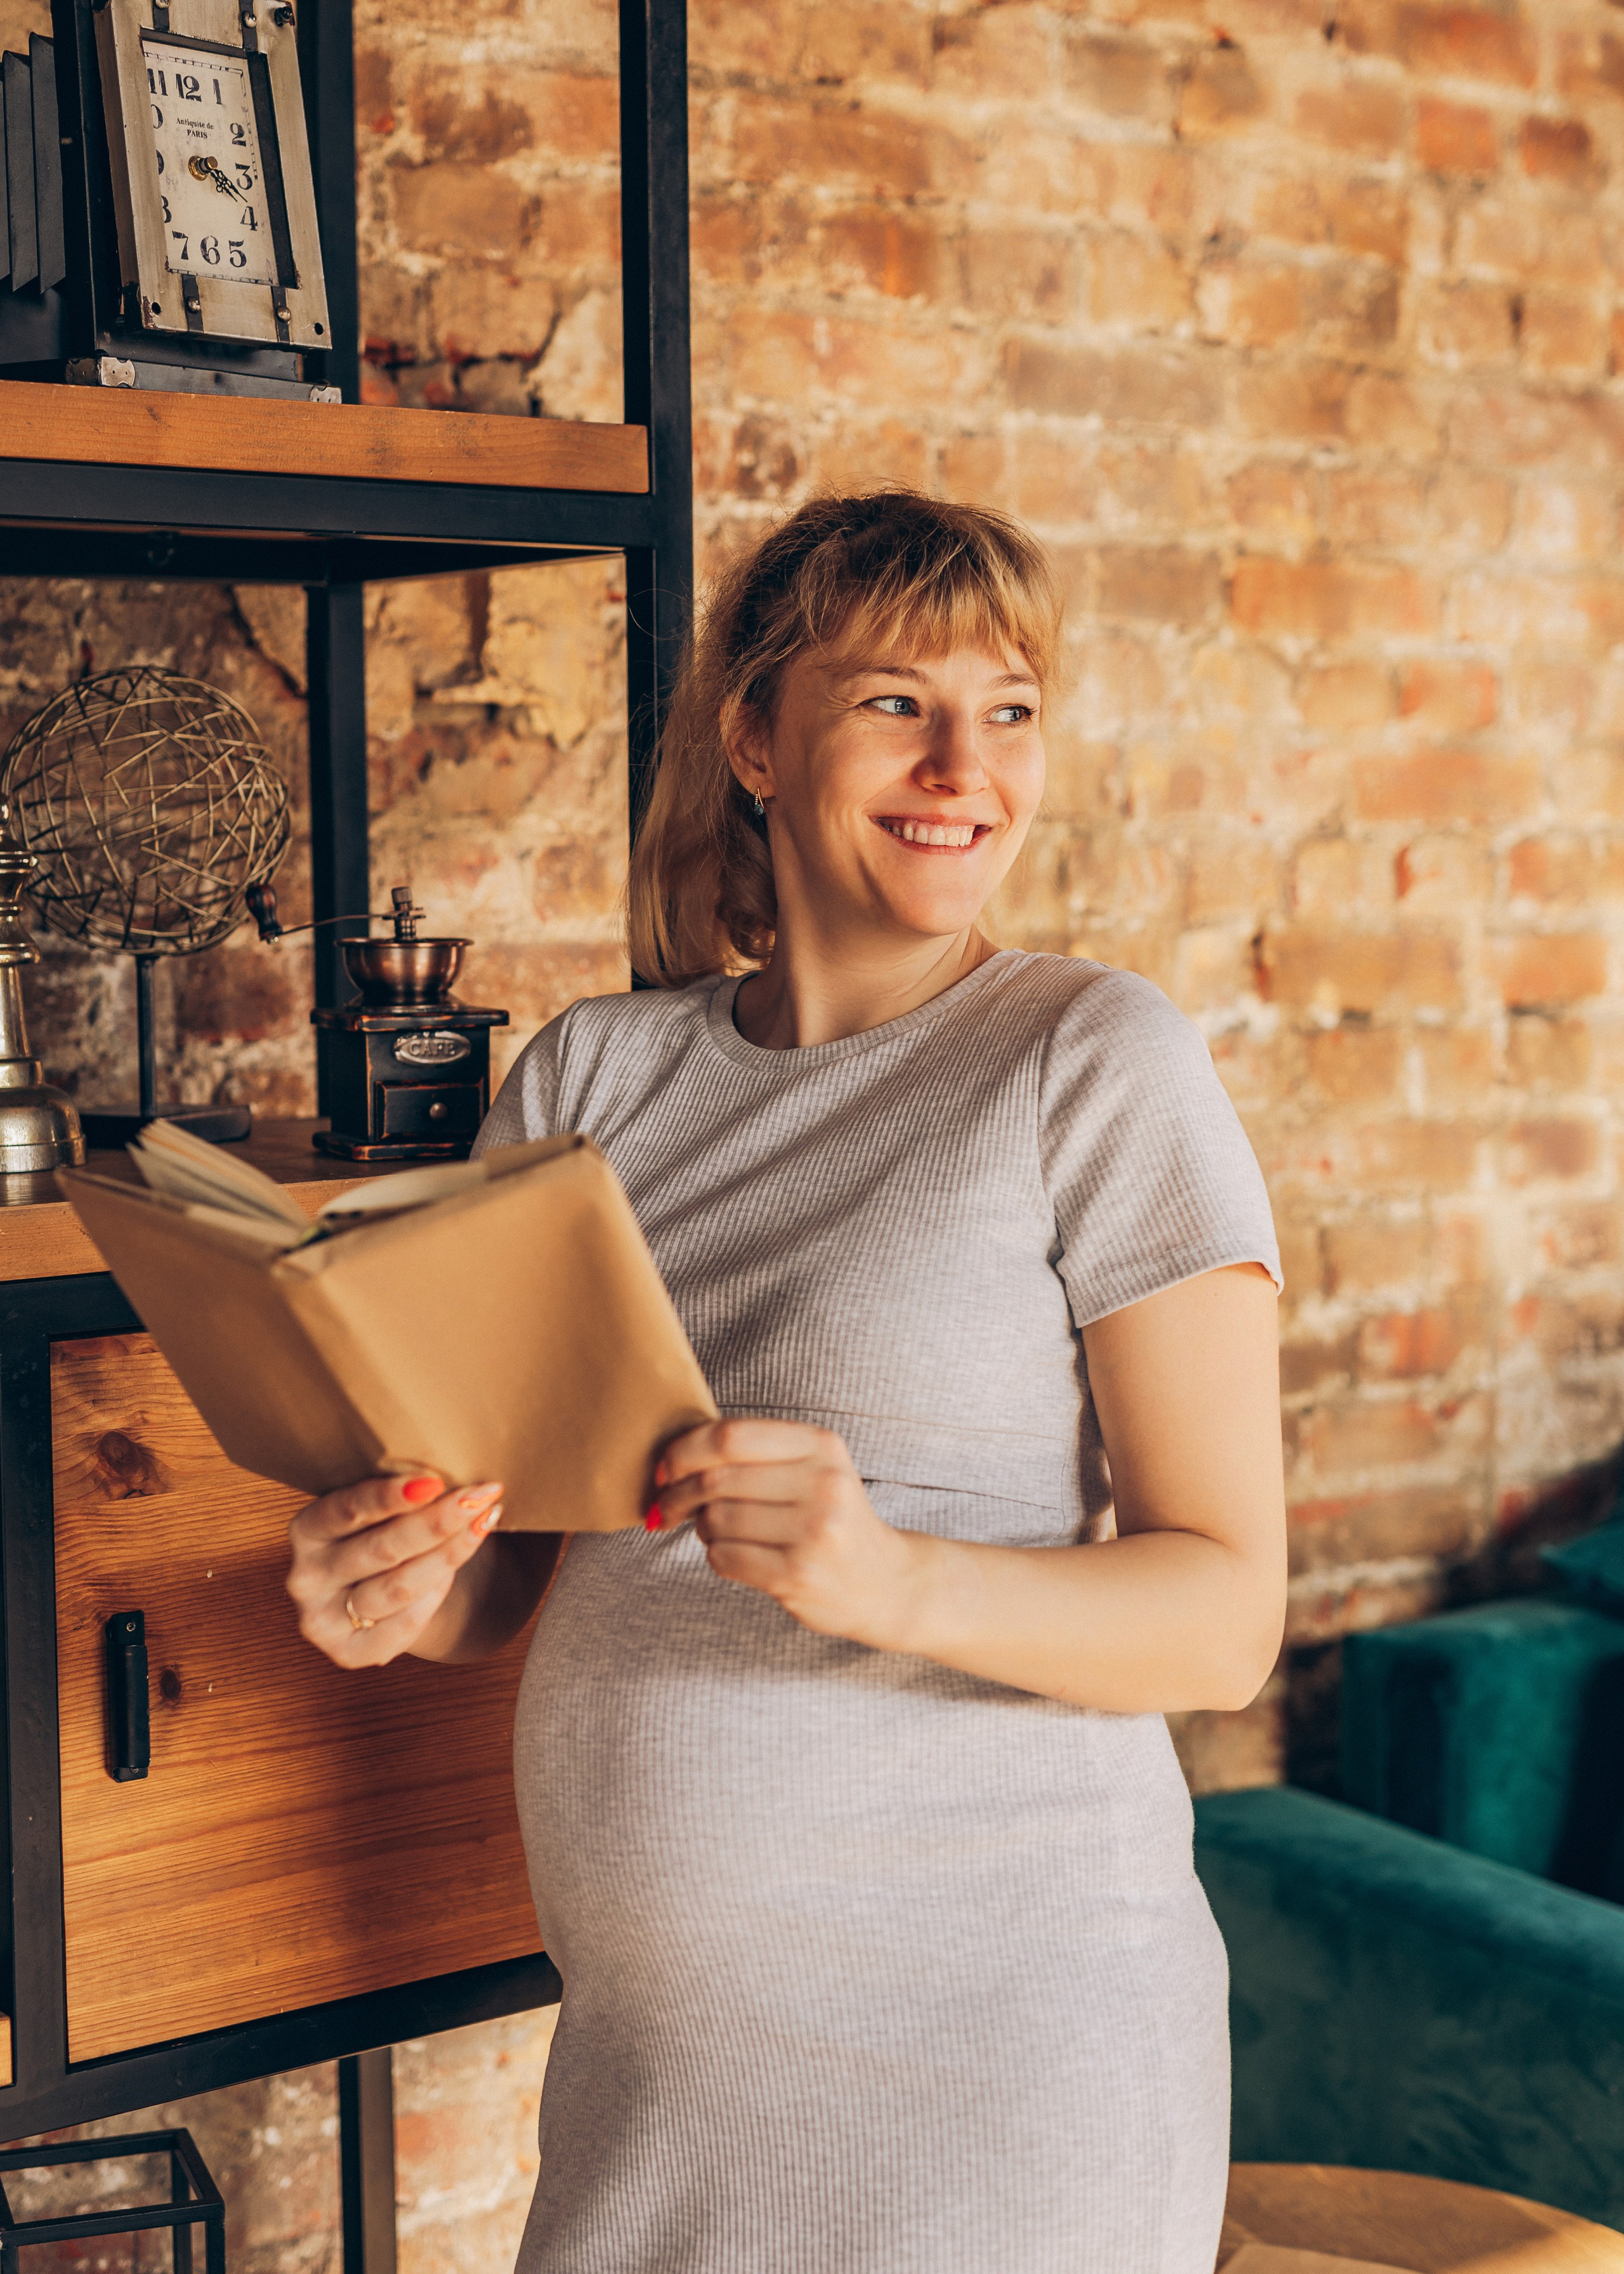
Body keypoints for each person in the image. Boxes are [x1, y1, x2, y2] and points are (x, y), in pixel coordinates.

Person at [285, 492, 1287, 2274]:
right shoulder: (589, 1081)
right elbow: (503, 1569)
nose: (964, 766)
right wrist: (394, 1586)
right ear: (754, 737)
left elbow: (1223, 1623)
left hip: (1009, 2080)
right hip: (654, 2099)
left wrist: (884, 1575)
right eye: (899, 702)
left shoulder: (1090, 1057)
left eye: (1010, 709)